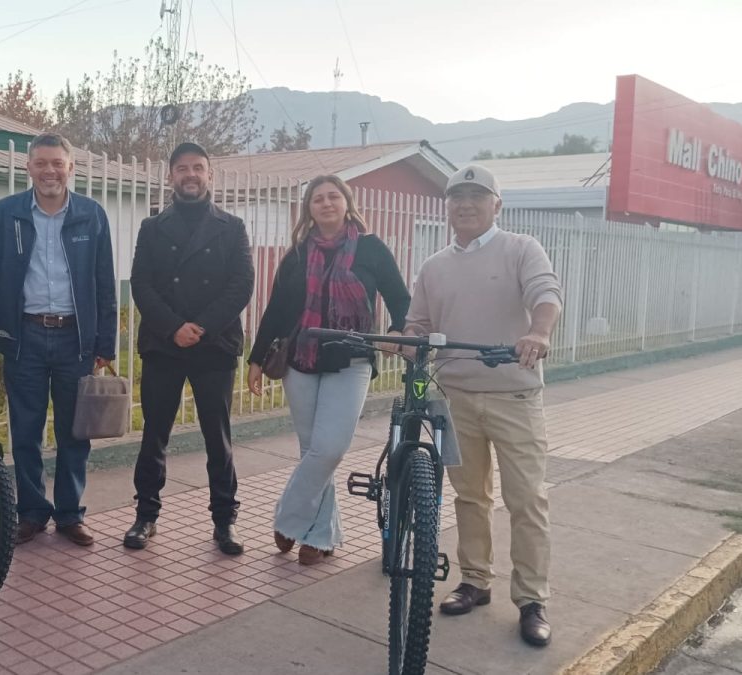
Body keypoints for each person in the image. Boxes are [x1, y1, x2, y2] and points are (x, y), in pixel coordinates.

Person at [404, 164, 562, 647]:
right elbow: (418, 324)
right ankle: (474, 579)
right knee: (469, 495)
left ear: (497, 204)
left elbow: (546, 295)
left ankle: (532, 599)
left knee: (527, 499)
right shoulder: (433, 266)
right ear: (446, 206)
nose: (465, 205)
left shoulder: (521, 249)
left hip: (514, 395)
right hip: (457, 397)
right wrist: (406, 341)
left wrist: (538, 331)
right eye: (457, 197)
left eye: (477, 196)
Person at [0, 133, 117, 547]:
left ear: (71, 167)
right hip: (23, 337)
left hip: (74, 340)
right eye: (41, 163)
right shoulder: (5, 215)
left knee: (75, 433)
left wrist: (105, 343)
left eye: (57, 163)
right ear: (28, 168)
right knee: (26, 430)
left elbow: (104, 284)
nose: (49, 171)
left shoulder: (91, 216)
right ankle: (31, 512)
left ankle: (70, 514)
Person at [246, 176, 410, 565]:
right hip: (301, 362)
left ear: (347, 203)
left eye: (333, 195)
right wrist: (255, 359)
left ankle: (288, 519)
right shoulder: (298, 254)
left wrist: (397, 330)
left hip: (350, 361)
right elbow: (276, 311)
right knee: (313, 452)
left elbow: (401, 298)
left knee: (329, 449)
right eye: (317, 198)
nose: (326, 203)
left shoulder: (370, 249)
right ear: (309, 209)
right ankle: (319, 537)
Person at [124, 142, 255, 555]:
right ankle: (146, 515)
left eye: (198, 168)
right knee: (154, 434)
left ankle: (224, 521)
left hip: (213, 345)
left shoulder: (232, 227)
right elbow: (141, 283)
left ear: (209, 175)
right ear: (170, 176)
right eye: (182, 168)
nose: (191, 175)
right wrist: (173, 327)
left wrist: (202, 326)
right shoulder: (151, 227)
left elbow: (241, 285)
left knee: (217, 437)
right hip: (165, 344)